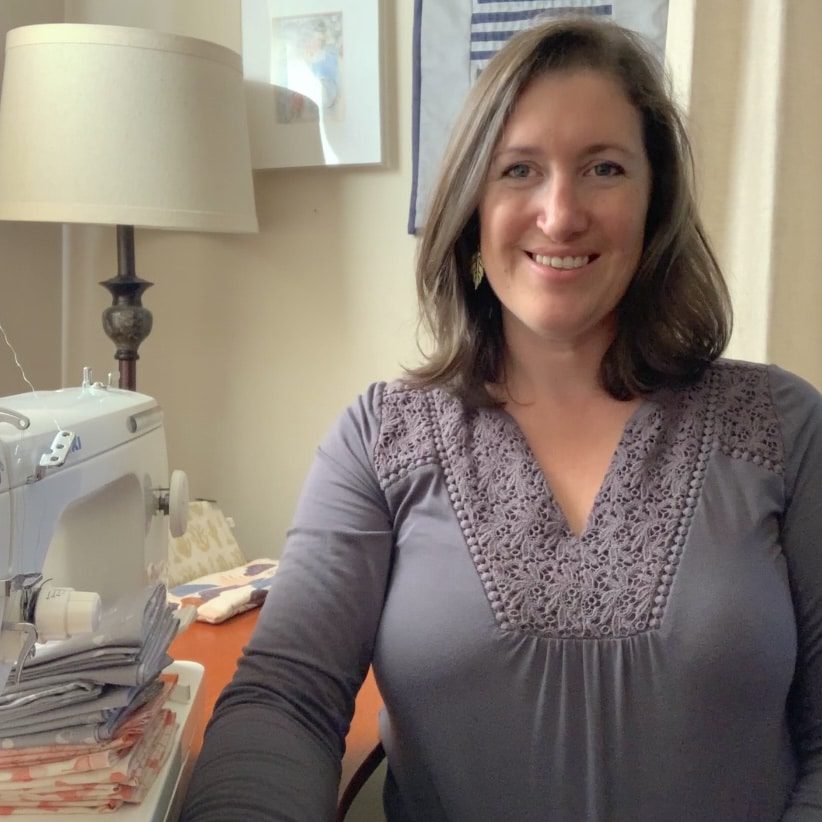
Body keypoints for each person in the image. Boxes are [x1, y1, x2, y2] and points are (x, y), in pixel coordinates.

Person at [181, 17, 822, 822]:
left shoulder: (784, 426)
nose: (560, 215)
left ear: (654, 203)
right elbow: (287, 699)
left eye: (605, 168)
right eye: (520, 169)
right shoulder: (380, 439)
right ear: (473, 206)